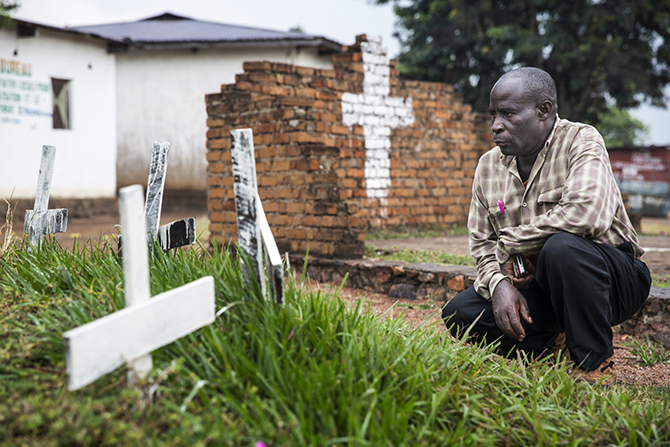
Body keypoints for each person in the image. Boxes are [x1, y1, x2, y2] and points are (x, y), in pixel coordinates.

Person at [441, 67, 651, 384]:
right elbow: (482, 245)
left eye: (508, 114)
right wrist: (498, 285)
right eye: (493, 115)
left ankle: (594, 364)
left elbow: (587, 214)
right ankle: (552, 346)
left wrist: (511, 243)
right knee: (461, 312)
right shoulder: (487, 166)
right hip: (543, 287)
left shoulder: (581, 141)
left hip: (611, 280)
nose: (496, 126)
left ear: (544, 111)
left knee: (562, 247)